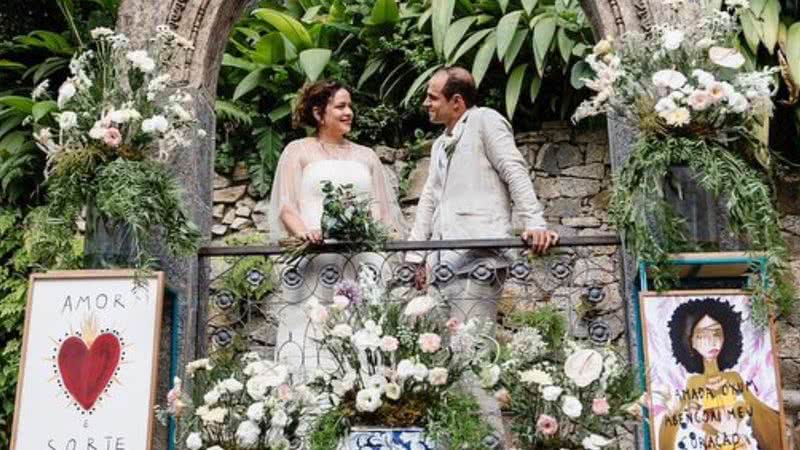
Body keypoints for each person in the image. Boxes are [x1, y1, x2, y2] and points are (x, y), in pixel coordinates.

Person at [408, 66, 559, 445]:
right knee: (445, 361)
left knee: (473, 358)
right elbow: (430, 198)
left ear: (457, 102)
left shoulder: (486, 121)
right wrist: (416, 255)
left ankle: (488, 442)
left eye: (433, 96)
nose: (426, 102)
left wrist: (534, 221)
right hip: (443, 261)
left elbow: (513, 169)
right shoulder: (441, 143)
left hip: (479, 258)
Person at [269, 80, 404, 377]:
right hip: (316, 262)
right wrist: (305, 233)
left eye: (350, 106)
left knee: (363, 335)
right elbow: (286, 206)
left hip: (360, 264)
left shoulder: (366, 156)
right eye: (341, 106)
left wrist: (374, 236)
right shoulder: (298, 151)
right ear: (319, 113)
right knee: (312, 334)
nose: (349, 112)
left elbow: (380, 210)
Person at [659, 297, 782, 450]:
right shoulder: (693, 384)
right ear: (689, 341)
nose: (712, 341)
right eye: (703, 335)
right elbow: (674, 424)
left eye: (717, 333)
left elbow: (759, 415)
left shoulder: (734, 379)